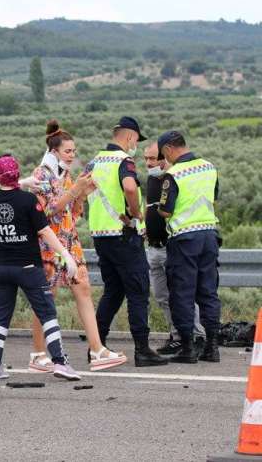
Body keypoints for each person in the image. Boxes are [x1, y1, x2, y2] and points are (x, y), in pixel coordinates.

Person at [27, 120, 127, 372]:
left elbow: (73, 212)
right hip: (49, 243)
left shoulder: (66, 174)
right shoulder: (42, 174)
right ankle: (38, 354)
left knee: (83, 290)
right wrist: (75, 191)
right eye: (68, 151)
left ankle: (97, 350)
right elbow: (47, 211)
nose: (72, 156)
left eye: (74, 151)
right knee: (46, 298)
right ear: (54, 151)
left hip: (70, 242)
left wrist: (83, 192)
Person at [0, 154, 81, 381]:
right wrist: (65, 254)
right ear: (17, 173)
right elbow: (45, 232)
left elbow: (5, 188)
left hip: (1, 268)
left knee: (1, 318)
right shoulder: (28, 202)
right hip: (28, 267)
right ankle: (60, 362)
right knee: (47, 313)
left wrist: (22, 182)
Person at [86, 116, 167, 367]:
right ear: (130, 136)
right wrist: (135, 213)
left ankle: (96, 346)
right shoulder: (124, 161)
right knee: (138, 291)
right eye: (136, 140)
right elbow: (130, 188)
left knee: (113, 290)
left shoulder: (94, 160)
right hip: (124, 234)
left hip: (101, 236)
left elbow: (81, 190)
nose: (135, 145)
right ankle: (142, 349)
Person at [157, 130, 221, 363]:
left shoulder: (172, 174)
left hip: (184, 238)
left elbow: (166, 210)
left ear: (168, 150)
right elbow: (213, 197)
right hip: (209, 235)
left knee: (182, 294)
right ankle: (212, 348)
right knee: (208, 292)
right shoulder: (209, 166)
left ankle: (188, 348)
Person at [144, 142, 206, 356]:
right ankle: (177, 337)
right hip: (153, 247)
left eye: (154, 159)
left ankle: (196, 336)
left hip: (172, 246)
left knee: (181, 295)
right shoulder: (152, 181)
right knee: (162, 296)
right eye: (146, 159)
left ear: (165, 158)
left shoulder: (173, 179)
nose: (149, 163)